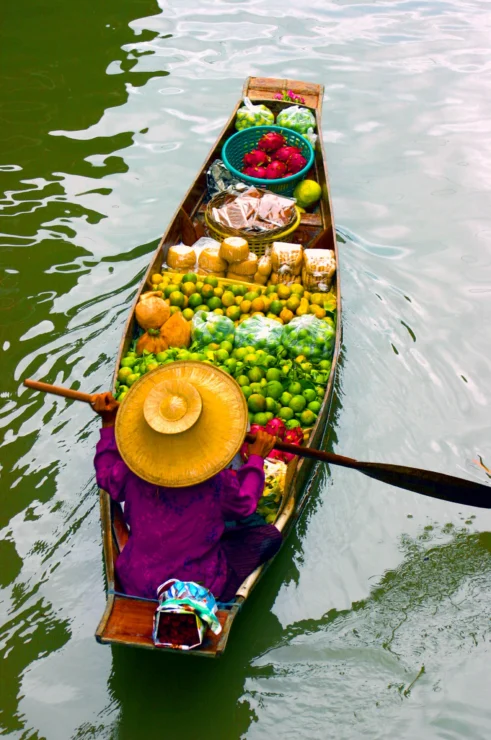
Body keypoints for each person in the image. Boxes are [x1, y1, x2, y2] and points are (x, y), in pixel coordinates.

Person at [92, 362, 282, 603]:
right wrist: (255, 459)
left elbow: (105, 475)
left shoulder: (132, 470)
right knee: (268, 536)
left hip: (137, 582)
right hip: (199, 586)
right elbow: (245, 504)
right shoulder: (215, 481)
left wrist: (108, 423)